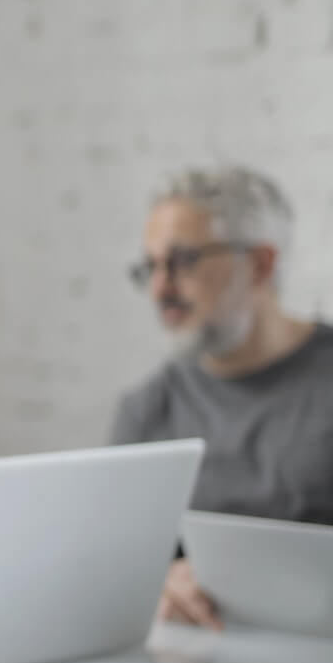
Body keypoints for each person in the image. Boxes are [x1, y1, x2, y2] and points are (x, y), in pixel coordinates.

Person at [111, 166, 333, 629]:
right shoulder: (147, 411)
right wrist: (161, 583)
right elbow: (122, 568)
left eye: (182, 261)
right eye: (150, 266)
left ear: (260, 264)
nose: (159, 288)